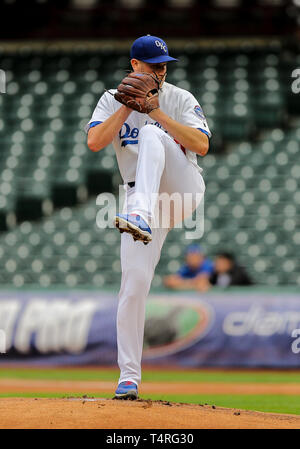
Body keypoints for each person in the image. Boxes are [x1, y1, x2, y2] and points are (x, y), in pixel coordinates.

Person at [86, 35, 211, 400]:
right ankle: (128, 378)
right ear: (134, 66)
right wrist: (126, 107)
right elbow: (95, 142)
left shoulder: (179, 98)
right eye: (154, 65)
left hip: (180, 187)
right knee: (134, 283)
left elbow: (202, 145)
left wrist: (154, 110)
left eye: (164, 65)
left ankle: (138, 214)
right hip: (138, 192)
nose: (161, 71)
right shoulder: (111, 98)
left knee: (154, 134)